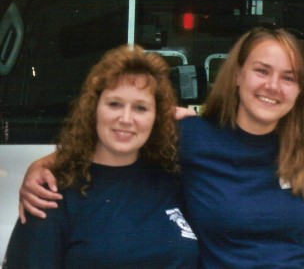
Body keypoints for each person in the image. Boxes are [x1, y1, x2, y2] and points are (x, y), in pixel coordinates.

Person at [17, 27, 304, 268]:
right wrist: (43, 165)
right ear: (237, 74)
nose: (273, 85)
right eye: (262, 70)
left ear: (301, 90)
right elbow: (116, 141)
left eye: (289, 77)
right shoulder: (191, 136)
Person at [5, 45, 199, 268]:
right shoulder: (49, 194)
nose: (126, 118)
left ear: (157, 117)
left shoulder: (172, 179)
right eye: (114, 104)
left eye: (141, 108)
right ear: (93, 108)